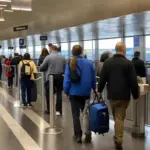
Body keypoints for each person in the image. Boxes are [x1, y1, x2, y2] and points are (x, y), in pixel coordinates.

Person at [98, 42, 139, 150]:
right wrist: (135, 94)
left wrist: (99, 90)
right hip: (124, 96)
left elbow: (102, 79)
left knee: (117, 117)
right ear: (123, 50)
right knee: (119, 118)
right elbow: (133, 82)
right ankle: (118, 140)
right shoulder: (128, 63)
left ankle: (117, 136)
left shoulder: (107, 62)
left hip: (112, 95)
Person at [63, 45, 96, 143]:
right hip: (86, 92)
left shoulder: (69, 63)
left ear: (72, 52)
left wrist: (66, 91)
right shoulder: (89, 63)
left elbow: (67, 79)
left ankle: (77, 135)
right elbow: (93, 78)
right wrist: (94, 88)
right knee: (86, 113)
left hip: (73, 93)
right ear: (81, 52)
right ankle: (88, 134)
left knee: (75, 115)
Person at [40, 45, 65, 115]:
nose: (49, 50)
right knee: (59, 93)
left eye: (49, 49)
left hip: (50, 77)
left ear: (51, 49)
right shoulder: (62, 57)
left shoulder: (48, 57)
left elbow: (41, 67)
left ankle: (49, 109)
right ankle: (58, 110)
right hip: (60, 76)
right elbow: (65, 68)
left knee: (48, 93)